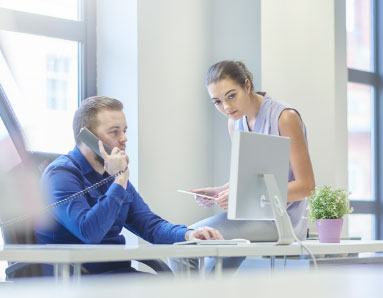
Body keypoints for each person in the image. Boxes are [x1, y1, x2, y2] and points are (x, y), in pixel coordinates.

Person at [35, 96, 223, 275]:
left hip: (116, 275)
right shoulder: (61, 175)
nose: (124, 138)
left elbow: (150, 226)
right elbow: (89, 232)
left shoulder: (112, 176)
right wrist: (119, 179)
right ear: (86, 137)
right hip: (76, 279)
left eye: (124, 130)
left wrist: (189, 235)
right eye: (114, 131)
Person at [169, 60, 315, 274]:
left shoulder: (285, 117)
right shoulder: (234, 122)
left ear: (247, 86)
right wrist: (218, 191)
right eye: (217, 102)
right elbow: (251, 177)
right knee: (202, 257)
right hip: (249, 216)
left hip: (282, 221)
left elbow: (306, 187)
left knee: (189, 243)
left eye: (231, 95)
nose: (226, 107)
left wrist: (241, 194)